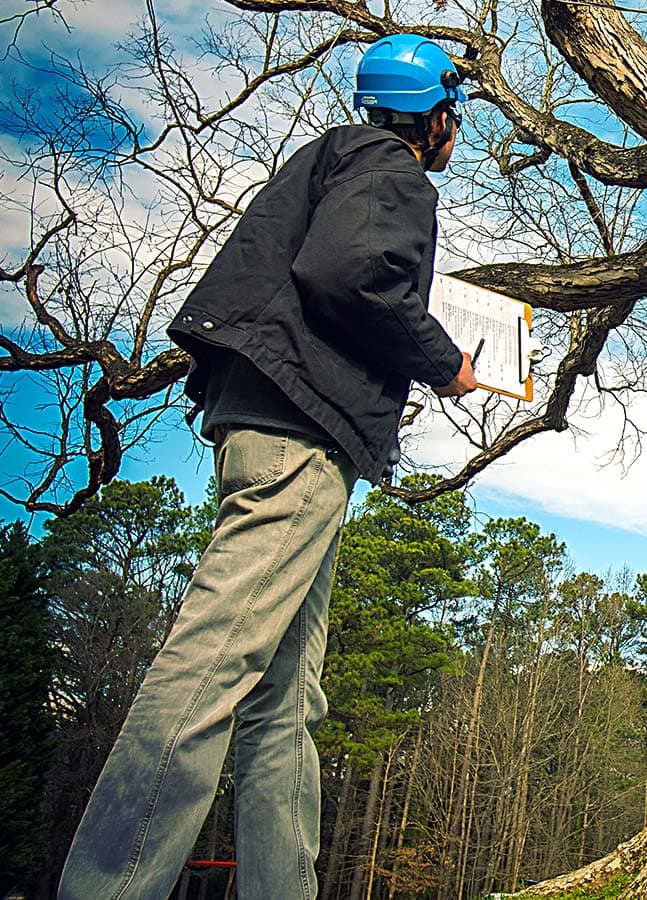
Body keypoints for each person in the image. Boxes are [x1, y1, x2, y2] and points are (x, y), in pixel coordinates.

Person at [58, 34, 476, 900]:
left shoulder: (331, 158)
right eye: (453, 113)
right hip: (299, 437)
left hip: (274, 426)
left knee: (286, 698)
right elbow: (350, 274)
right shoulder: (393, 172)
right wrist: (446, 362)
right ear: (433, 113)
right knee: (211, 665)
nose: (455, 129)